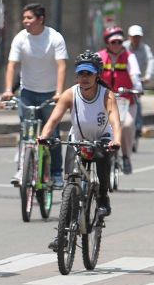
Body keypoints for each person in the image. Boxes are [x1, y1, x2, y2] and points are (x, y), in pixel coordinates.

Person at [38, 51, 122, 251]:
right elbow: (54, 119)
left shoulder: (106, 95)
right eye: (81, 74)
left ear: (98, 75)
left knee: (102, 157)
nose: (84, 78)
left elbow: (115, 120)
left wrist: (116, 140)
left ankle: (102, 197)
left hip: (102, 139)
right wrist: (43, 136)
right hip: (78, 140)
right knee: (71, 182)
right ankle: (63, 235)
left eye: (89, 74)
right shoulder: (70, 94)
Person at [1, 3, 68, 188]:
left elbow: (62, 65)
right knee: (26, 132)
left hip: (50, 94)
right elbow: (12, 65)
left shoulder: (54, 38)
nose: (26, 22)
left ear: (40, 19)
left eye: (29, 18)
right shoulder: (20, 38)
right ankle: (22, 169)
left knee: (51, 134)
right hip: (27, 93)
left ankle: (56, 174)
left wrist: (59, 92)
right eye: (24, 18)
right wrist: (8, 89)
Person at [96, 25, 142, 174]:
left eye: (119, 42)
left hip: (125, 100)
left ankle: (126, 156)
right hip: (104, 99)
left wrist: (137, 87)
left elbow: (135, 75)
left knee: (127, 125)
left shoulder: (129, 56)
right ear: (107, 43)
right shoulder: (99, 57)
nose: (117, 45)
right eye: (113, 42)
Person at [124, 25, 154, 138]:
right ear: (129, 37)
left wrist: (148, 76)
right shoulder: (123, 47)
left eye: (138, 37)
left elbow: (151, 62)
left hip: (136, 78)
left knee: (136, 100)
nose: (136, 39)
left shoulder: (145, 48)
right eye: (134, 37)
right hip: (123, 77)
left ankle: (138, 127)